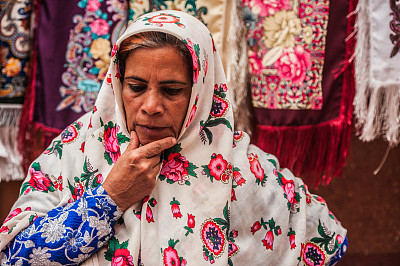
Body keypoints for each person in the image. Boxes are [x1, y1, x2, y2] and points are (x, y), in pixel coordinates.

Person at [0, 10, 347, 265]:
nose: (150, 106)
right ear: (117, 83)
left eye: (172, 90)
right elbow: (14, 259)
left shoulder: (240, 167)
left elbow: (325, 238)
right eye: (135, 87)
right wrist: (109, 199)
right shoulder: (75, 151)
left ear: (201, 92)